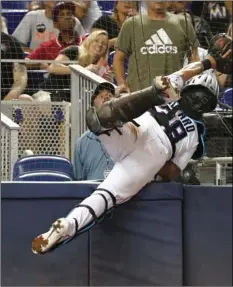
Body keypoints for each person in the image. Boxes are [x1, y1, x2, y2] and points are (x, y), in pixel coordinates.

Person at [31, 33, 232, 254]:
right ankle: (69, 224)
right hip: (152, 156)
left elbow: (182, 74)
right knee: (105, 197)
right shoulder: (196, 133)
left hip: (138, 127)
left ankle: (113, 113)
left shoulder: (175, 94)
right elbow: (170, 172)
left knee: (104, 120)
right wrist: (152, 171)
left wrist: (208, 63)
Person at [113, 1, 200, 94]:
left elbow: (195, 59)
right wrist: (122, 84)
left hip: (173, 96)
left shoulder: (184, 22)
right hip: (138, 96)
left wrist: (187, 83)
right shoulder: (131, 24)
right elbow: (118, 59)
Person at [26, 1, 85, 70]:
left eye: (69, 13)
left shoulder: (86, 43)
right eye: (62, 15)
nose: (67, 17)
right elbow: (24, 62)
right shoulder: (46, 47)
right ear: (55, 24)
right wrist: (38, 64)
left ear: (75, 21)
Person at [74, 83, 115, 180]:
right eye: (101, 96)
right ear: (93, 102)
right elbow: (78, 182)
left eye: (110, 96)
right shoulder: (82, 143)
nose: (106, 99)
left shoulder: (126, 137)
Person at [12, 1, 85, 52]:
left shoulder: (71, 21)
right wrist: (37, 56)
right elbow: (16, 44)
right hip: (36, 63)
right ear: (46, 4)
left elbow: (85, 44)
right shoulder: (32, 16)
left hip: (64, 62)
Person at [1, 32, 28, 101]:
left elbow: (20, 79)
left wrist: (5, 103)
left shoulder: (11, 42)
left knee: (26, 99)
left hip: (6, 97)